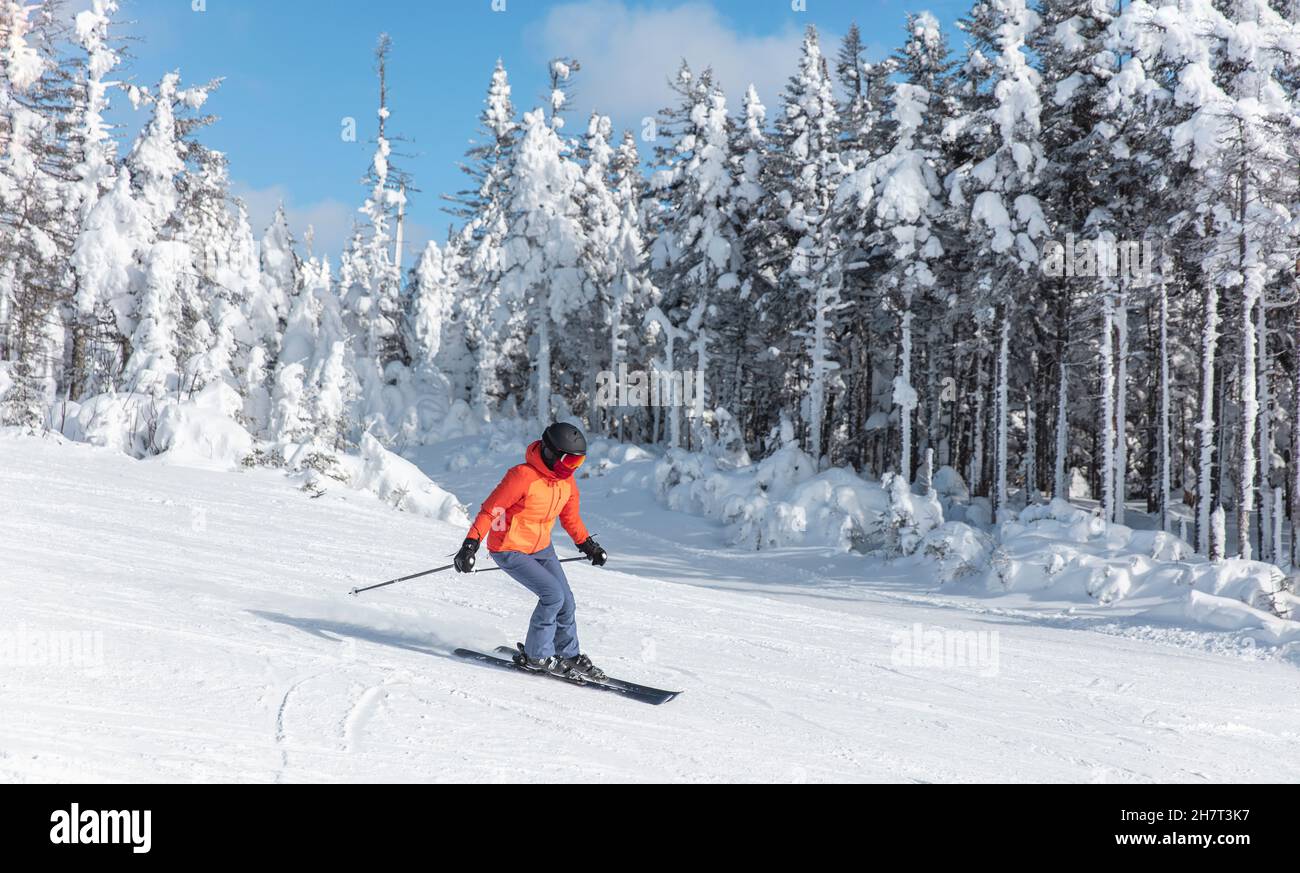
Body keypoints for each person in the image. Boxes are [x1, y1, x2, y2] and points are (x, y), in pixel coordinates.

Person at [454, 422, 609, 680]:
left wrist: (587, 545)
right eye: (568, 461)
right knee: (552, 595)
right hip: (509, 547)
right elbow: (491, 510)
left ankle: (568, 653)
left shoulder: (566, 482)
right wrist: (470, 544)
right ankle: (537, 654)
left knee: (566, 601)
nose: (571, 468)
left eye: (577, 463)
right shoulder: (522, 476)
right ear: (550, 453)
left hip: (541, 547)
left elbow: (570, 518)